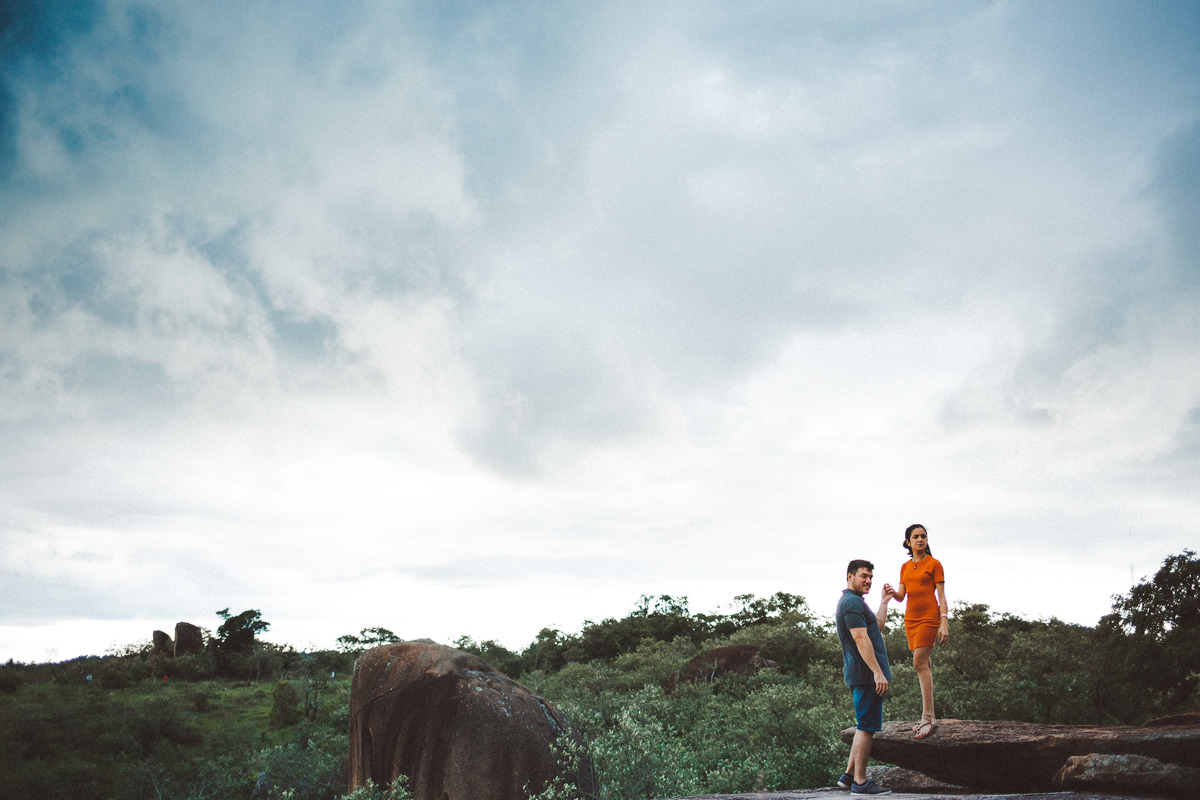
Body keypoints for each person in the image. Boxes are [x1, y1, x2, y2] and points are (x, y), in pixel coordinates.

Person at [884, 523, 948, 740]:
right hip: (911, 620)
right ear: (908, 542)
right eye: (916, 537)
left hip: (929, 618)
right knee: (925, 664)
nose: (920, 539)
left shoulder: (934, 564)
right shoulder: (905, 567)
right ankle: (931, 716)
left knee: (919, 663)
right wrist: (892, 592)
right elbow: (902, 596)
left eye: (923, 536)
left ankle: (927, 716)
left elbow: (942, 597)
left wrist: (944, 622)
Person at [835, 559, 893, 795]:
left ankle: (849, 776)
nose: (868, 581)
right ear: (850, 577)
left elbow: (875, 627)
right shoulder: (851, 603)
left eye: (870, 577)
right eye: (864, 576)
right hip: (866, 675)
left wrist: (884, 602)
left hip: (863, 674)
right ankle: (860, 782)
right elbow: (860, 638)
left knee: (864, 724)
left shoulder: (856, 602)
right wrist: (877, 672)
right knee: (866, 727)